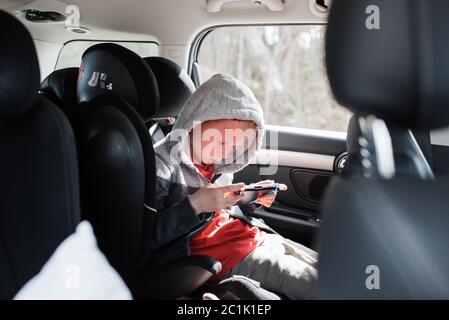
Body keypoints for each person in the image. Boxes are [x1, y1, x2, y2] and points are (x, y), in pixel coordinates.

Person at [153, 73, 317, 299]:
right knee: (316, 286)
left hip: (254, 236)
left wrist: (251, 196)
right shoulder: (162, 166)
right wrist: (195, 205)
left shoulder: (213, 164)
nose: (224, 152)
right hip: (226, 255)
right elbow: (147, 237)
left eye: (234, 146)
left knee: (331, 269)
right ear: (195, 122)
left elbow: (222, 208)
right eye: (220, 141)